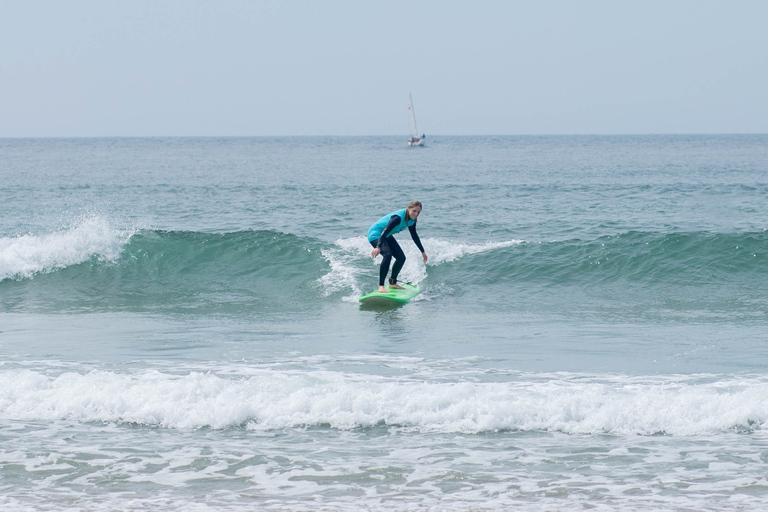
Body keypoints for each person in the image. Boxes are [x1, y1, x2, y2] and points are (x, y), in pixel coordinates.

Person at [368, 200, 428, 293]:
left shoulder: (412, 220)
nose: (416, 214)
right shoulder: (398, 218)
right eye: (414, 211)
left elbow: (414, 236)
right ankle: (381, 286)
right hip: (376, 234)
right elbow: (385, 230)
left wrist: (422, 251)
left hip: (386, 235)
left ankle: (392, 283)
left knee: (401, 258)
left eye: (418, 212)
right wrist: (378, 247)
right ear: (408, 209)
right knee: (387, 254)